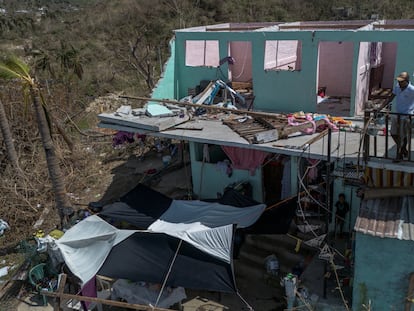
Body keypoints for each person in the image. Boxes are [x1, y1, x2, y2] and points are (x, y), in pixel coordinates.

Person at [379, 71, 414, 159]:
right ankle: (403, 149)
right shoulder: (397, 87)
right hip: (397, 114)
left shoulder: (411, 89)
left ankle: (399, 155)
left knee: (402, 135)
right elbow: (390, 98)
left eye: (401, 81)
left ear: (406, 81)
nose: (399, 83)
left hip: (407, 115)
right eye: (398, 81)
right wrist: (380, 107)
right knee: (393, 133)